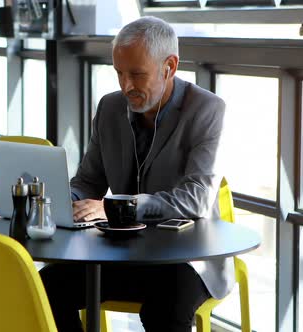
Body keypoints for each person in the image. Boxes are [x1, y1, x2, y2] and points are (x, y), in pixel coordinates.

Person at [40, 16, 230, 332]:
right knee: (45, 288)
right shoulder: (109, 108)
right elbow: (89, 180)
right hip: (120, 252)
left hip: (185, 258)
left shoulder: (207, 110)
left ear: (169, 66)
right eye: (119, 73)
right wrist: (62, 201)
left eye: (137, 74)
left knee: (164, 309)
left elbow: (196, 199)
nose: (126, 86)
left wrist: (119, 205)